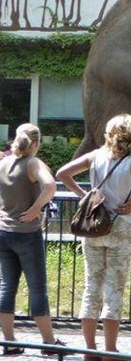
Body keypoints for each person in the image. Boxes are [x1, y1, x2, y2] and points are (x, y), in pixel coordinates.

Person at [56, 114, 131, 359]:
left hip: (93, 225)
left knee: (92, 285)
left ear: (108, 134)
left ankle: (88, 349)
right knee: (114, 288)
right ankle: (110, 350)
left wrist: (85, 196)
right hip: (120, 225)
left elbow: (62, 173)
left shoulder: (95, 157)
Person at [0, 123, 69, 356]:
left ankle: (8, 341)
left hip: (3, 233)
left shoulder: (4, 162)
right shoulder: (32, 163)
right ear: (36, 143)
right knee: (37, 288)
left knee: (7, 286)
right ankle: (48, 343)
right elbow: (50, 186)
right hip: (27, 234)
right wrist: (36, 208)